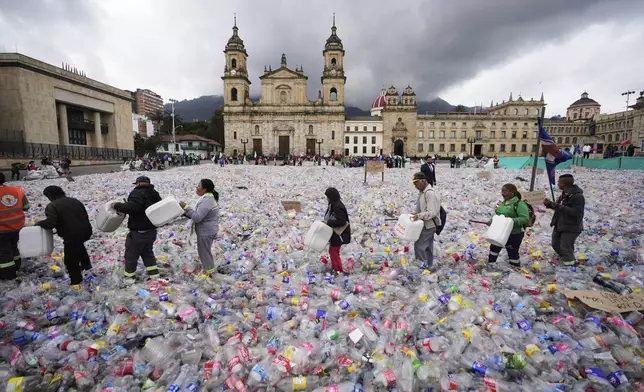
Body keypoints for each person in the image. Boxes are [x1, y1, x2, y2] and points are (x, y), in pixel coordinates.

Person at [35, 186, 93, 289]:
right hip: (86, 231)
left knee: (70, 259)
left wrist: (39, 223)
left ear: (50, 196)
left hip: (72, 234)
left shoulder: (52, 206)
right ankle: (86, 266)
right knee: (79, 246)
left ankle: (76, 282)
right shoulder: (75, 201)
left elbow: (51, 222)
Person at [113, 176, 162, 283]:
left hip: (139, 231)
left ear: (138, 183)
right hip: (151, 230)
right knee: (147, 252)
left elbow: (132, 208)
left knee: (131, 255)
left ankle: (129, 279)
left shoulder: (137, 192)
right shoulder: (154, 193)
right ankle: (155, 276)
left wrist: (118, 205)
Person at [180, 179, 220, 277]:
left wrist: (186, 207)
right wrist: (186, 212)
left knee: (204, 253)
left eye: (198, 186)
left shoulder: (207, 201)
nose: (196, 187)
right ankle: (210, 270)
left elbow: (197, 218)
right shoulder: (207, 198)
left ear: (204, 189)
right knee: (205, 252)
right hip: (207, 229)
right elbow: (198, 215)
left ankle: (211, 274)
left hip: (206, 231)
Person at [544, 174, 585, 266]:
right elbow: (558, 207)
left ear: (563, 184)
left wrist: (559, 206)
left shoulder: (578, 197)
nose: (557, 184)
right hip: (559, 224)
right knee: (555, 244)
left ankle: (570, 266)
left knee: (566, 248)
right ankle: (565, 260)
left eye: (559, 182)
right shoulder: (564, 194)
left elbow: (577, 213)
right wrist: (549, 204)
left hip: (571, 227)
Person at [487, 184, 529, 267]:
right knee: (494, 249)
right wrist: (492, 220)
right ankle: (490, 266)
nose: (502, 193)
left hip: (514, 233)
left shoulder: (519, 204)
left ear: (512, 192)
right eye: (502, 191)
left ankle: (515, 271)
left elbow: (525, 219)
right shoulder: (504, 202)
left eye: (504, 191)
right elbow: (498, 213)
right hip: (500, 232)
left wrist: (510, 220)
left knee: (512, 253)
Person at [0, 173, 29, 280]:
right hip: (17, 226)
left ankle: (8, 274)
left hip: (1, 230)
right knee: (14, 247)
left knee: (3, 252)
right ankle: (17, 266)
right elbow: (26, 207)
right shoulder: (18, 190)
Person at [410, 173, 441, 268]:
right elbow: (422, 208)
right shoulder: (422, 192)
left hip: (429, 224)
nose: (415, 185)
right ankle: (429, 266)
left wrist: (419, 216)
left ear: (423, 181)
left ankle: (421, 267)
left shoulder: (430, 193)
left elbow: (432, 212)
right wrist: (415, 214)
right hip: (424, 224)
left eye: (416, 183)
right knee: (427, 246)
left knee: (419, 246)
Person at [323, 187, 351, 274]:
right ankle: (336, 268)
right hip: (335, 233)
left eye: (328, 196)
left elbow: (341, 221)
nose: (327, 198)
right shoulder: (333, 204)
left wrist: (329, 222)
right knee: (332, 251)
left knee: (334, 251)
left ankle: (338, 271)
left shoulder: (338, 206)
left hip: (339, 234)